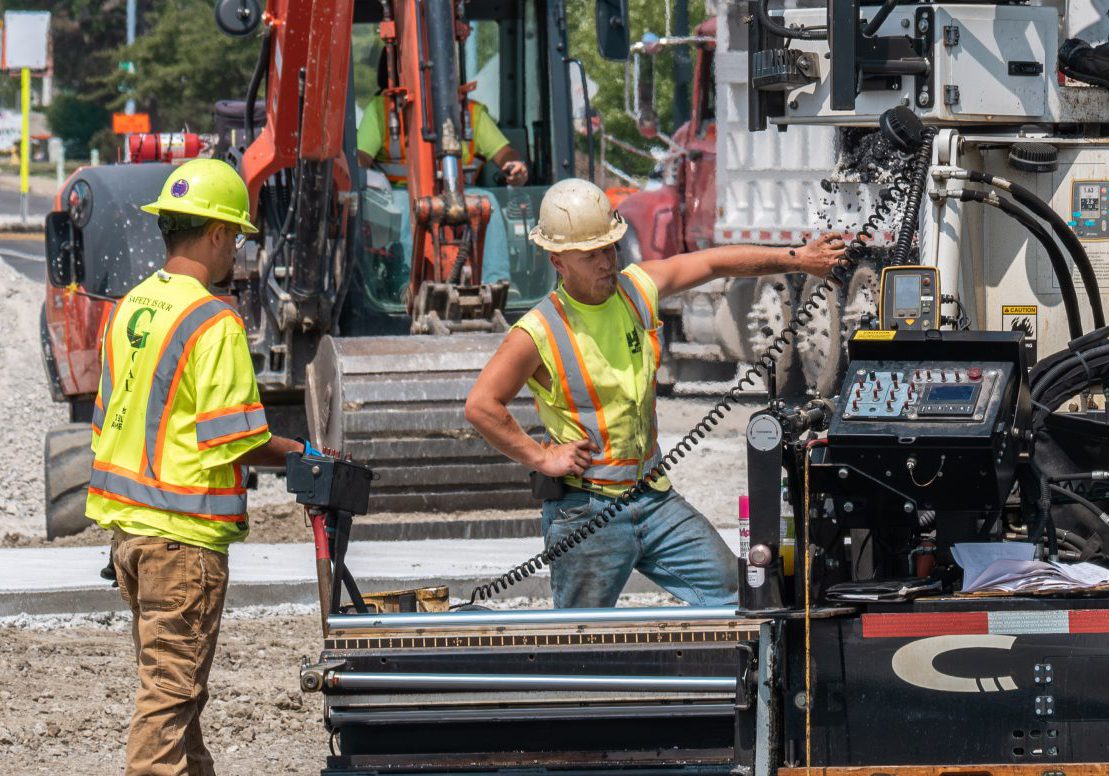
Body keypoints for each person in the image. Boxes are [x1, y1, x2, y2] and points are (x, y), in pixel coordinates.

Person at [464, 178, 847, 608]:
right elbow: (481, 406)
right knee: (581, 640)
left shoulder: (635, 290)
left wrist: (798, 259)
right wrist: (540, 457)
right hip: (586, 512)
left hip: (653, 498)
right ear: (558, 261)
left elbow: (712, 263)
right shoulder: (538, 331)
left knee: (737, 597)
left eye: (610, 248)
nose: (607, 262)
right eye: (591, 256)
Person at [86, 158, 305, 775]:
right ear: (214, 235)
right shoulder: (213, 320)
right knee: (168, 700)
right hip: (183, 542)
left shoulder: (131, 306)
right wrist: (305, 454)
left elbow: (109, 420)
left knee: (178, 696)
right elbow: (235, 438)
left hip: (129, 534)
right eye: (235, 236)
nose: (236, 249)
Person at [356, 57, 527, 186]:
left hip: (463, 203)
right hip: (400, 207)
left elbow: (505, 154)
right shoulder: (381, 111)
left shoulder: (471, 113)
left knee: (489, 204)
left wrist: (514, 166)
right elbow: (361, 158)